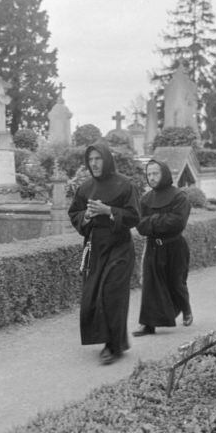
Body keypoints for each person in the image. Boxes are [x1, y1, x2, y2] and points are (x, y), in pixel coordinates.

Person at [68, 141, 141, 365]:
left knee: (111, 293)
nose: (94, 163)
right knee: (92, 295)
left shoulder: (125, 184)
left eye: (98, 159)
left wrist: (109, 211)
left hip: (119, 245)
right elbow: (75, 213)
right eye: (90, 160)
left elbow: (134, 216)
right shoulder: (85, 187)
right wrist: (88, 216)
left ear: (107, 159)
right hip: (95, 247)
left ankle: (112, 346)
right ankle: (109, 339)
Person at [133, 160, 193, 336]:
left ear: (164, 174)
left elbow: (178, 222)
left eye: (155, 173)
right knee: (151, 285)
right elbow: (140, 226)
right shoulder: (145, 200)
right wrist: (159, 220)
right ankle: (148, 324)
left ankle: (186, 309)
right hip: (153, 247)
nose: (151, 177)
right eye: (149, 174)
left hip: (175, 246)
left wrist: (152, 221)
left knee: (176, 282)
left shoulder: (179, 197)